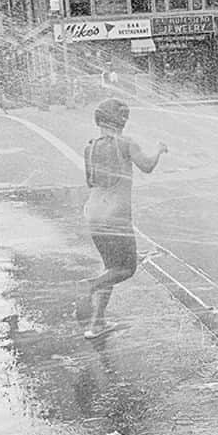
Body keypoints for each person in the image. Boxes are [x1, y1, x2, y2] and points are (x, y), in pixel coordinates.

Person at [79, 99, 168, 339]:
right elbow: (147, 166)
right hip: (116, 218)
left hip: (93, 214)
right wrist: (158, 149)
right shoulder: (126, 143)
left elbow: (90, 180)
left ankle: (97, 324)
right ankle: (88, 287)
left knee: (110, 268)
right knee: (127, 269)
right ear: (122, 119)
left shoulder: (90, 147)